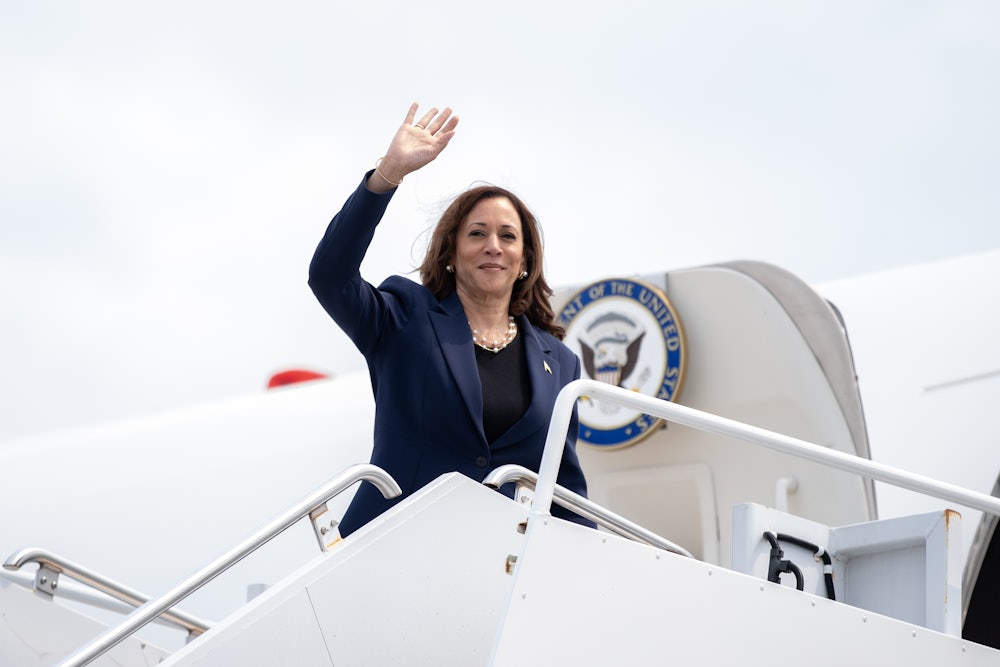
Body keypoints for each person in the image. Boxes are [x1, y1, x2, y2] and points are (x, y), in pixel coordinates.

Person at [308, 103, 594, 536]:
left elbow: (563, 491)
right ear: (451, 255)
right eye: (476, 233)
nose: (493, 246)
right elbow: (329, 277)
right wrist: (386, 176)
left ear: (524, 260)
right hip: (392, 549)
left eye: (507, 236)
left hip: (497, 567)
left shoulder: (561, 362)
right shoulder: (404, 317)